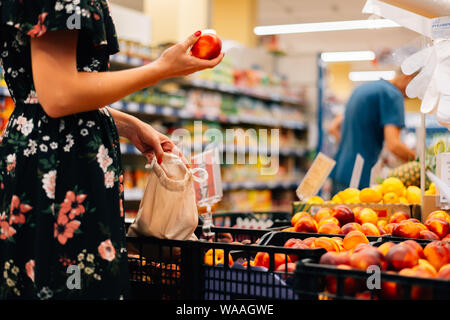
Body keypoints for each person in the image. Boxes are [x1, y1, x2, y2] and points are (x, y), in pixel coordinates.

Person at [0, 0, 223, 300]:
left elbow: (43, 97)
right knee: (71, 285)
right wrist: (161, 69)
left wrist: (128, 125)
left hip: (56, 159)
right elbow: (58, 95)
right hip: (61, 172)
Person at [331, 71, 416, 194]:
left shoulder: (362, 89)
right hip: (360, 176)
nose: (412, 97)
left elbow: (333, 127)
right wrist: (421, 162)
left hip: (340, 170)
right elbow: (394, 145)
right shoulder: (392, 95)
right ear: (407, 78)